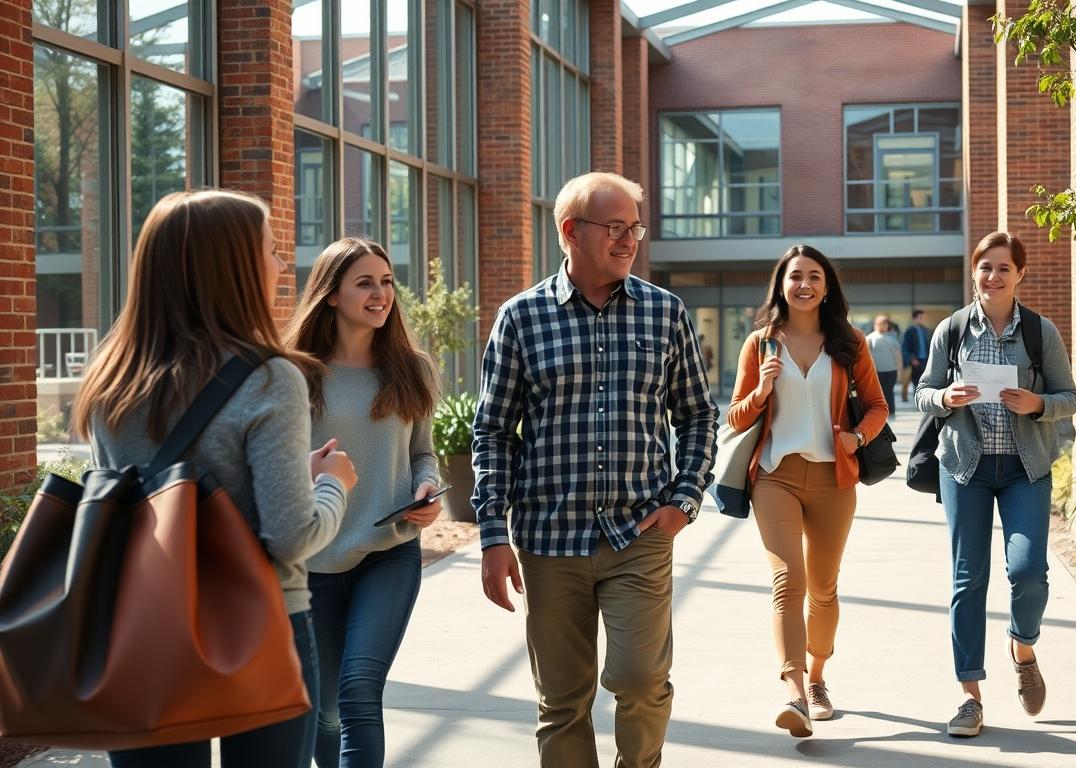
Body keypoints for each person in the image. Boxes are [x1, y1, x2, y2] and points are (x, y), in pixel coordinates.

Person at [72, 189, 356, 768]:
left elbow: (140, 499)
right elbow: (290, 536)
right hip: (260, 624)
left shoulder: (111, 377)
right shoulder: (270, 378)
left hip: (140, 626)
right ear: (231, 268)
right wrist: (331, 485)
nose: (283, 265)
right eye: (272, 250)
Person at [472, 171, 719, 768]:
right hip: (549, 538)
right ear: (569, 232)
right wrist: (492, 535)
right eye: (615, 227)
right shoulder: (521, 318)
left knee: (640, 680)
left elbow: (697, 416)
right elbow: (493, 431)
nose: (629, 239)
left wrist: (683, 500)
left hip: (639, 532)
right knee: (562, 702)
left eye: (635, 227)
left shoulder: (666, 314)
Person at [284, 237, 443, 768]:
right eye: (365, 283)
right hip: (314, 560)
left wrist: (425, 490)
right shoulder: (294, 375)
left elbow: (422, 454)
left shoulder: (412, 369)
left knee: (357, 692)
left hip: (388, 552)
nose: (382, 294)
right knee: (325, 711)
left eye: (388, 282)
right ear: (331, 295)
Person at [914, 231, 1076, 738]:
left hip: (1025, 469)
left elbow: (1069, 397)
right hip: (966, 467)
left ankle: (1022, 646)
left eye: (1003, 268)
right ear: (974, 272)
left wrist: (1038, 405)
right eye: (985, 267)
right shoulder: (953, 329)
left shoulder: (1040, 332)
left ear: (1019, 274)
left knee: (1029, 572)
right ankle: (970, 697)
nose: (993, 276)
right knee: (969, 580)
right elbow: (922, 392)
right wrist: (946, 397)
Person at [726, 244, 888, 738]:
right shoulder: (759, 345)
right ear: (781, 285)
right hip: (775, 477)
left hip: (833, 479)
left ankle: (818, 677)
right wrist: (761, 392)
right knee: (787, 584)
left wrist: (855, 437)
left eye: (814, 276)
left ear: (826, 286)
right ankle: (794, 693)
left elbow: (878, 407)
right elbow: (734, 417)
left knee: (823, 589)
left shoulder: (850, 341)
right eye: (795, 276)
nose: (804, 285)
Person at [865, 315, 904, 412]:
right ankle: (879, 412)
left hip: (891, 371)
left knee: (889, 392)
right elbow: (866, 356)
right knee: (878, 393)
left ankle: (891, 411)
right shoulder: (870, 338)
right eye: (881, 324)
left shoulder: (892, 338)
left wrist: (900, 369)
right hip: (876, 371)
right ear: (876, 325)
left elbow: (898, 355)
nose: (883, 326)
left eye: (885, 324)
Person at [901, 309, 930, 402]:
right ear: (914, 319)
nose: (922, 319)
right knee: (914, 380)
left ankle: (920, 398)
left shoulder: (926, 330)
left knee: (923, 380)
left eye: (923, 318)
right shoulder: (909, 331)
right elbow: (906, 346)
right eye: (920, 318)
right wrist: (912, 358)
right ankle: (915, 398)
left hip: (925, 359)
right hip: (914, 360)